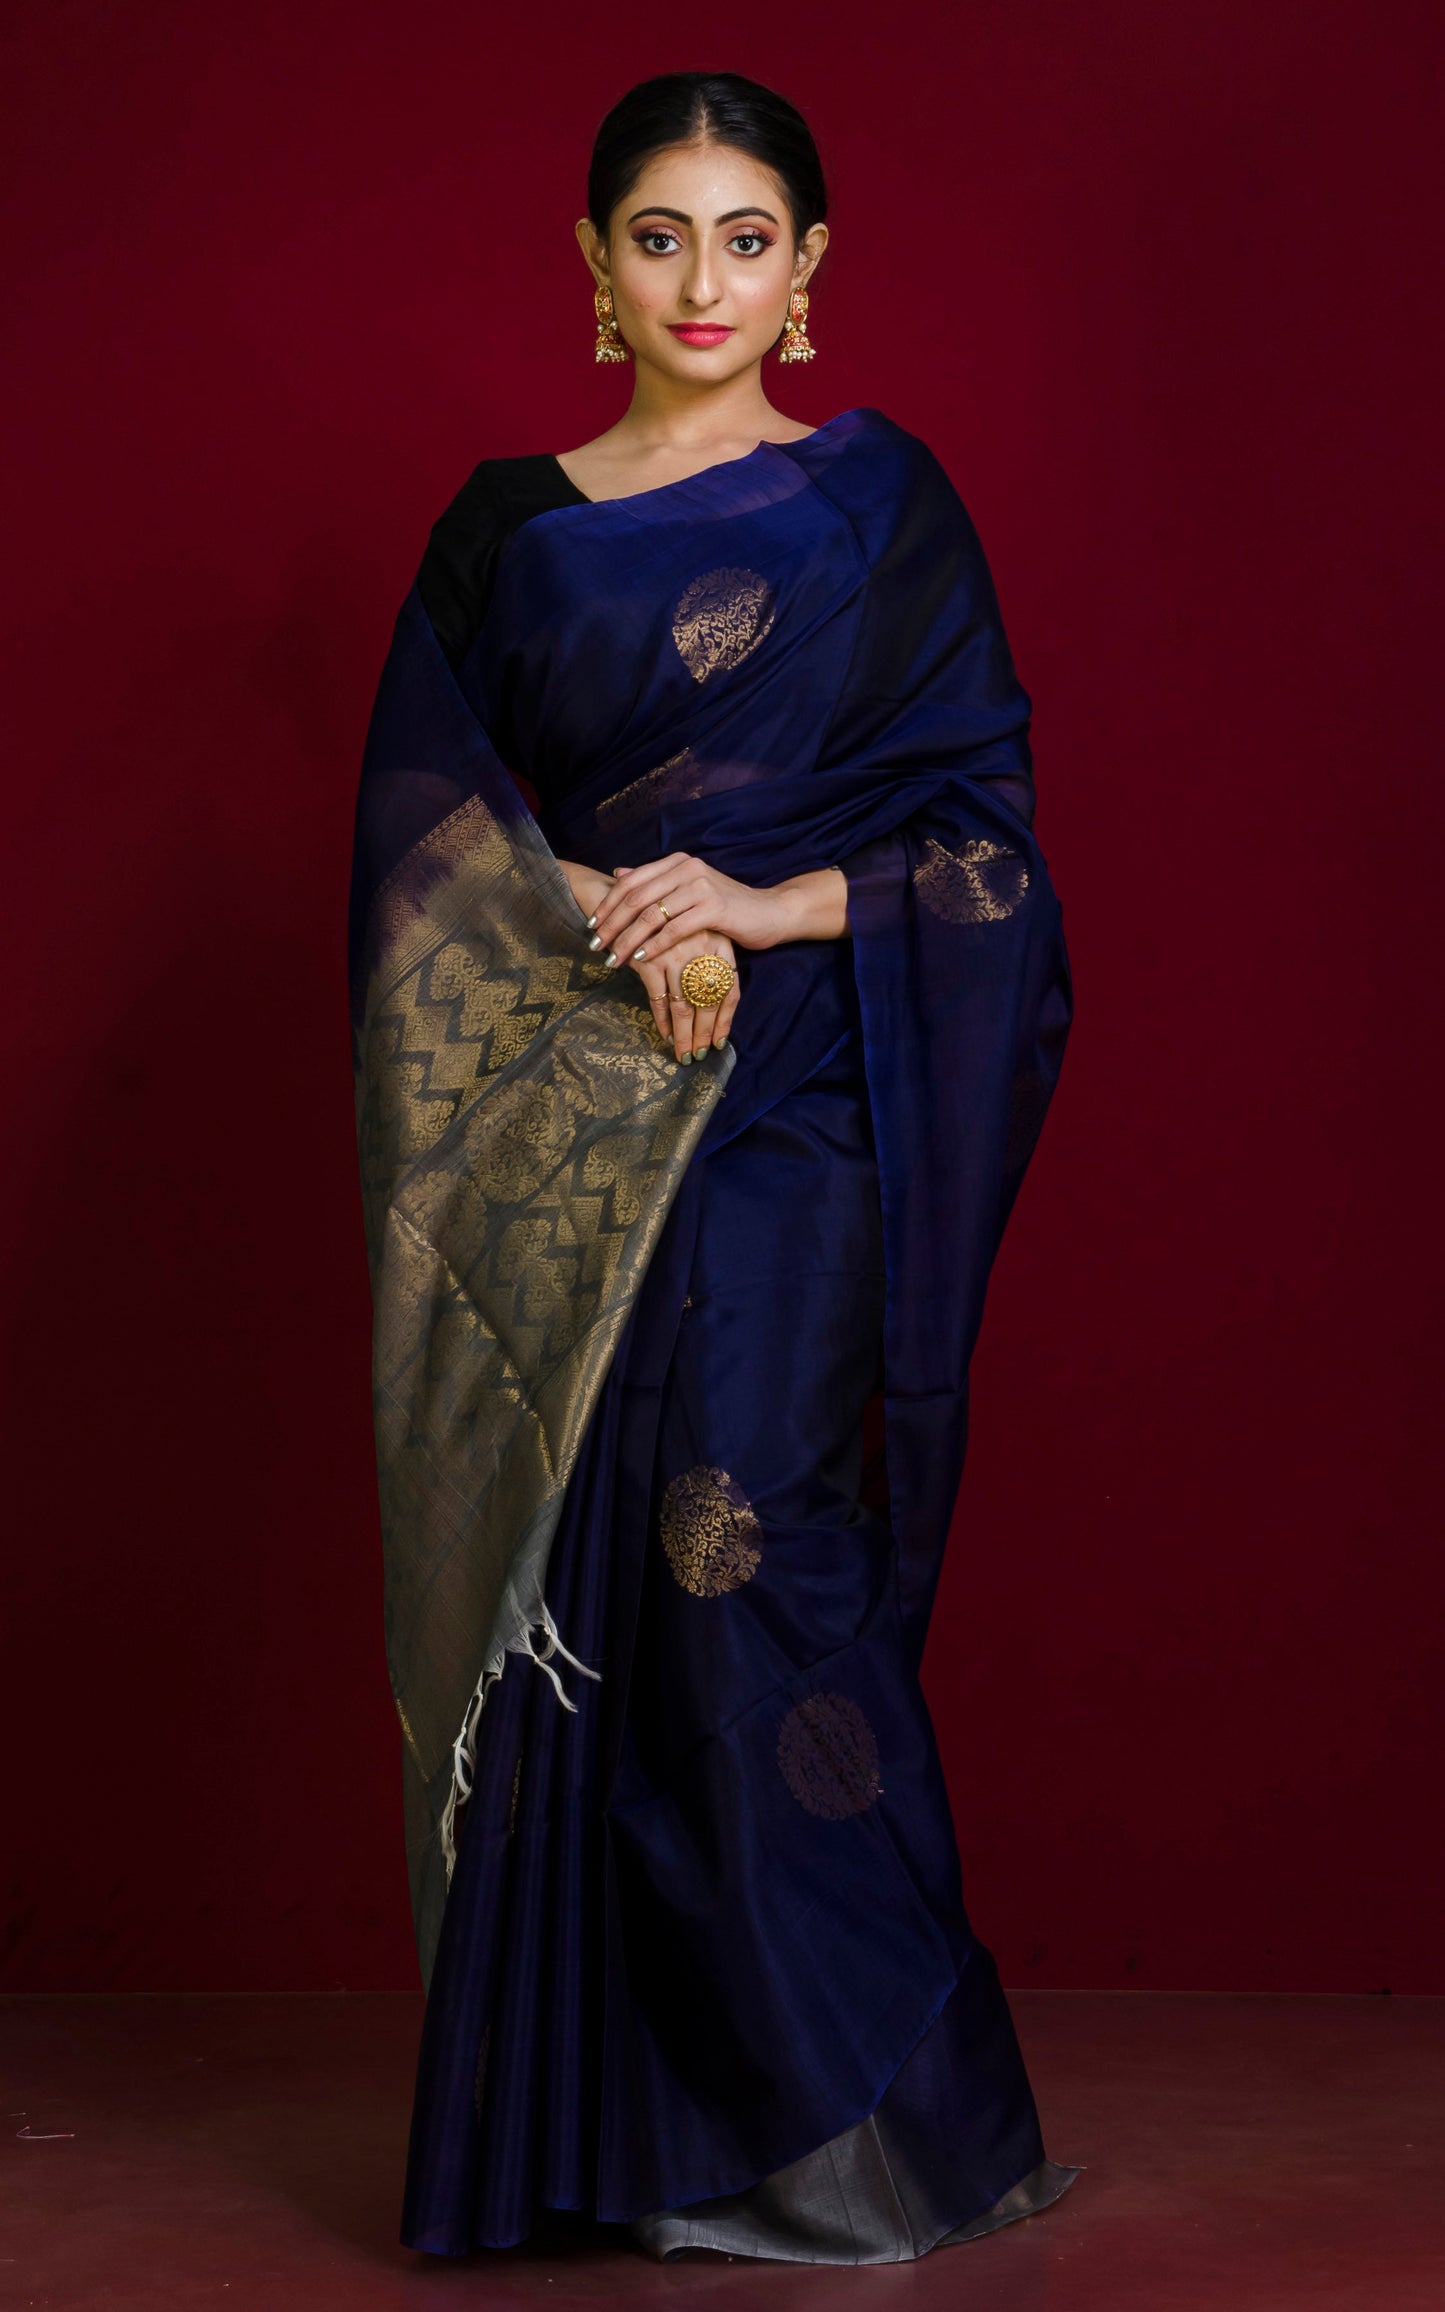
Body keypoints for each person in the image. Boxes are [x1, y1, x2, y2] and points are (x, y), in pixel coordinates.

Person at [348, 68, 1077, 2266]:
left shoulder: (881, 510)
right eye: (658, 236)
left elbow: (992, 866)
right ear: (593, 262)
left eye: (746, 239)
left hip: (800, 1107)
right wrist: (618, 917)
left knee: (744, 1550)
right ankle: (626, 2143)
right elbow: (427, 852)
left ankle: (863, 2124)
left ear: (810, 268)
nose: (702, 282)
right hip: (571, 1120)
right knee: (591, 1600)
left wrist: (751, 910)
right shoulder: (506, 531)